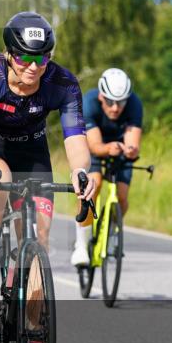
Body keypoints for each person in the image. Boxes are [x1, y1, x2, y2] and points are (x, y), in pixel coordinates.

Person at [0, 12, 97, 340]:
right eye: (24, 58)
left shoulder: (62, 83)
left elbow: (76, 140)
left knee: (39, 236)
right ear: (9, 54)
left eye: (42, 58)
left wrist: (80, 171)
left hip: (31, 150)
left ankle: (33, 331)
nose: (33, 66)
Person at [71, 67, 144, 267]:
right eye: (110, 102)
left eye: (121, 102)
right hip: (95, 147)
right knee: (93, 186)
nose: (115, 108)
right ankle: (81, 244)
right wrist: (108, 148)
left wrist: (131, 150)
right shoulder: (89, 102)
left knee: (122, 196)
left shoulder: (134, 104)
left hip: (119, 148)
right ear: (101, 96)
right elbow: (94, 145)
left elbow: (133, 142)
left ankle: (111, 232)